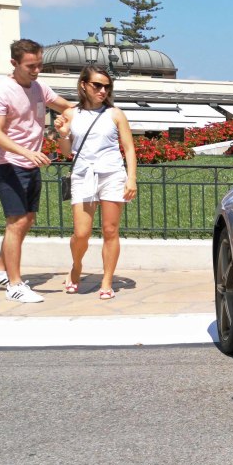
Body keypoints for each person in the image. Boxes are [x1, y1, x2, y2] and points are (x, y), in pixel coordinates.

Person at [0, 39, 72, 303]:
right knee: (17, 221)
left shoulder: (39, 87)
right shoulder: (0, 91)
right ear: (14, 63)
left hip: (32, 163)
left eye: (39, 65)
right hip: (7, 163)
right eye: (30, 66)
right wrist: (26, 152)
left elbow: (67, 106)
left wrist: (65, 119)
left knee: (28, 218)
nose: (36, 70)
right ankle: (14, 285)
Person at [54, 66, 137, 299]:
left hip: (112, 174)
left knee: (110, 230)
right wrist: (62, 134)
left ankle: (107, 280)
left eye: (107, 86)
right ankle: (77, 266)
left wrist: (131, 179)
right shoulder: (71, 114)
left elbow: (129, 149)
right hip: (83, 175)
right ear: (83, 85)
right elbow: (67, 152)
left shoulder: (115, 114)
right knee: (81, 233)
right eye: (97, 85)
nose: (102, 90)